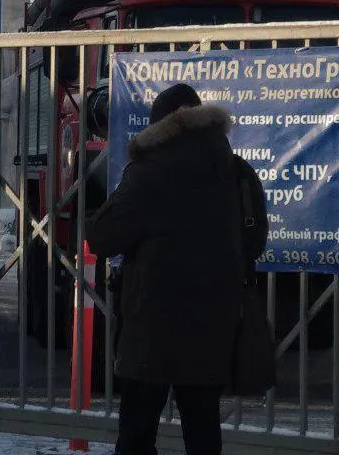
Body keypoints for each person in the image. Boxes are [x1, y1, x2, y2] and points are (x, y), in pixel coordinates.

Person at [87, 84, 249, 455]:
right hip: (215, 319)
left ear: (160, 125)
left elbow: (102, 237)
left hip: (153, 322)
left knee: (138, 430)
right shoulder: (235, 170)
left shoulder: (149, 172)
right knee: (204, 426)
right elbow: (254, 238)